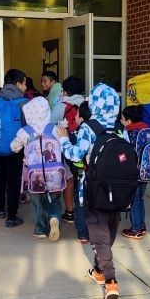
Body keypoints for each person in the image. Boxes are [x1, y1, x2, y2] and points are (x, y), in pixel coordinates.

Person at [59, 84, 123, 299]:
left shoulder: (89, 127)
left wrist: (63, 140)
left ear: (95, 103)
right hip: (119, 189)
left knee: (98, 234)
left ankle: (111, 280)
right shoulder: (120, 128)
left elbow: (76, 155)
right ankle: (98, 270)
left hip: (94, 188)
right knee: (108, 233)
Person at [11, 97, 64, 240]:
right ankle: (54, 217)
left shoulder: (25, 131)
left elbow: (14, 147)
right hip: (54, 173)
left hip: (34, 174)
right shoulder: (54, 128)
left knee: (37, 201)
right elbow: (63, 146)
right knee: (54, 198)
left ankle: (40, 228)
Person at [0, 69, 28, 227]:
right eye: (24, 83)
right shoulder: (23, 103)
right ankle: (12, 216)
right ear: (18, 84)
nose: (25, 87)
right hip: (15, 149)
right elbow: (28, 127)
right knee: (13, 180)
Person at [51, 76, 87, 231]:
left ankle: (70, 212)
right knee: (83, 179)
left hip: (66, 146)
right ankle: (84, 211)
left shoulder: (61, 106)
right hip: (84, 146)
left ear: (65, 91)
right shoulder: (86, 104)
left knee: (69, 178)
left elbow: (51, 124)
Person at [120, 105, 150, 240]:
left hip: (134, 172)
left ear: (129, 121)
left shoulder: (129, 133)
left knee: (134, 200)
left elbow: (125, 154)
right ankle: (142, 226)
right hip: (148, 171)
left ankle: (136, 229)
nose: (120, 121)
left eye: (122, 119)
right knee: (140, 199)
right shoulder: (147, 130)